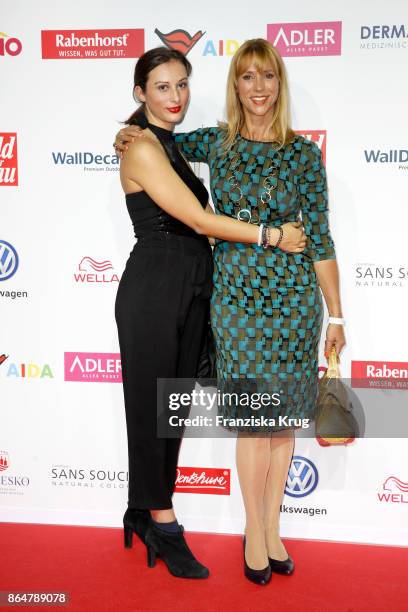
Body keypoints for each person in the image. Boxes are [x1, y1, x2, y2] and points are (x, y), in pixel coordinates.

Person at [114, 45, 306, 581]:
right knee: (152, 412)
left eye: (181, 85)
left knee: (170, 412)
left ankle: (142, 509)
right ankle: (162, 523)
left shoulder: (168, 144)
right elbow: (199, 219)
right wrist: (270, 235)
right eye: (162, 87)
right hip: (155, 290)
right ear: (140, 93)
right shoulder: (144, 149)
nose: (175, 96)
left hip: (194, 289)